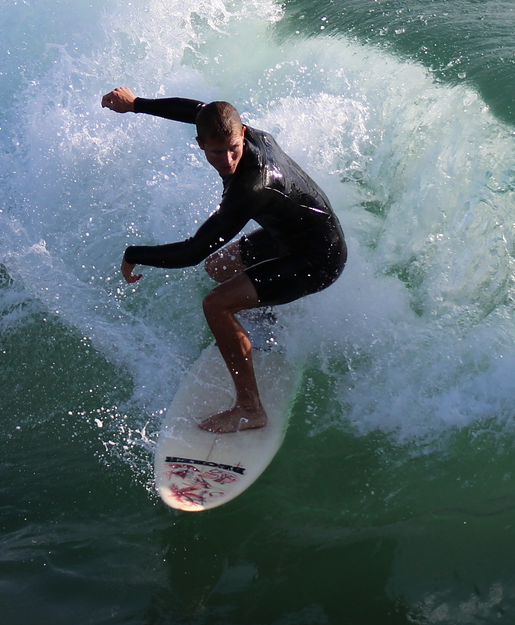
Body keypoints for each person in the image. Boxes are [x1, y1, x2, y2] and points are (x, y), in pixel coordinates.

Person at [102, 86, 347, 433]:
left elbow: (192, 250)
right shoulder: (236, 129)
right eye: (217, 152)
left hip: (319, 257)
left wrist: (133, 255)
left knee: (215, 305)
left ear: (242, 134)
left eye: (233, 149)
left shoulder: (249, 188)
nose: (228, 161)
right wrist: (136, 105)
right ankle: (267, 316)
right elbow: (199, 112)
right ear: (200, 143)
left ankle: (250, 409)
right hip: (293, 235)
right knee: (218, 268)